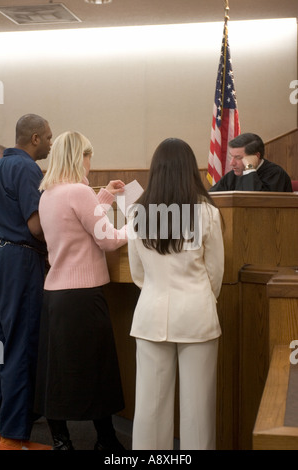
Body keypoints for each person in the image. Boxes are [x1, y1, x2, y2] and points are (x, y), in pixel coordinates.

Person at [127, 137, 225, 450]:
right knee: (198, 411)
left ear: (155, 171)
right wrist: (201, 299)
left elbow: (137, 274)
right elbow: (215, 272)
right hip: (197, 315)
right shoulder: (207, 213)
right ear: (189, 171)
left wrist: (159, 290)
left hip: (151, 314)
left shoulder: (137, 214)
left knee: (150, 409)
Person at [34, 131, 128, 451]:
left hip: (56, 295)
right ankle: (106, 440)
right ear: (80, 158)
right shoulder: (80, 191)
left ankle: (61, 442)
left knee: (56, 373)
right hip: (84, 296)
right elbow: (109, 239)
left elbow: (76, 223)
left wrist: (104, 198)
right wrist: (138, 223)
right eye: (89, 156)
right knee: (97, 371)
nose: (91, 163)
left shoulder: (48, 194)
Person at [0, 114, 53, 450]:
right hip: (21, 261)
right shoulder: (28, 169)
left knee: (2, 347)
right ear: (34, 139)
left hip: (1, 258)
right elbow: (36, 226)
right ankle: (14, 438)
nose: (50, 141)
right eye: (47, 137)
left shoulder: (0, 165)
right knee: (21, 347)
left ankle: (2, 431)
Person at [209, 133, 293, 192]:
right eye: (231, 156)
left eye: (238, 157)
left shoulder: (275, 174)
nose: (232, 163)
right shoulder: (233, 175)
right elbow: (209, 197)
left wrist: (249, 169)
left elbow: (256, 203)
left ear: (256, 156)